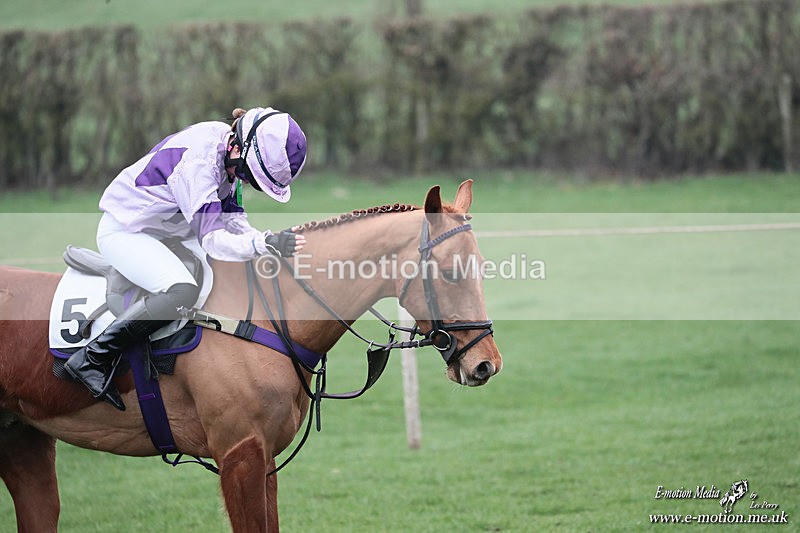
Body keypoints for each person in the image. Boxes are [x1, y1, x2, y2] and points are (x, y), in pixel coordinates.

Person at [64, 107, 307, 411]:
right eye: (249, 176)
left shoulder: (230, 153)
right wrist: (262, 242)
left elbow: (234, 221)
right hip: (127, 230)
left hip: (170, 229)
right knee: (181, 289)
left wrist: (264, 242)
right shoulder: (200, 164)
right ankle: (91, 358)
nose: (246, 182)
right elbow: (214, 240)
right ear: (236, 148)